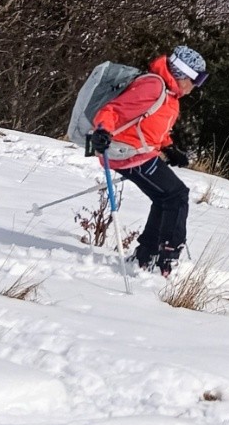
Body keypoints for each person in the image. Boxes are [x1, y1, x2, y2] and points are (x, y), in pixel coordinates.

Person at [87, 45, 207, 276]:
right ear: (182, 73)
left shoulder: (170, 95)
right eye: (197, 78)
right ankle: (168, 258)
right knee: (176, 195)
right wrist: (102, 131)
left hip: (138, 152)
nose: (197, 85)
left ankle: (147, 256)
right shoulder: (153, 86)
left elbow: (150, 125)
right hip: (126, 153)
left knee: (165, 198)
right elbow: (113, 110)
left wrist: (169, 148)